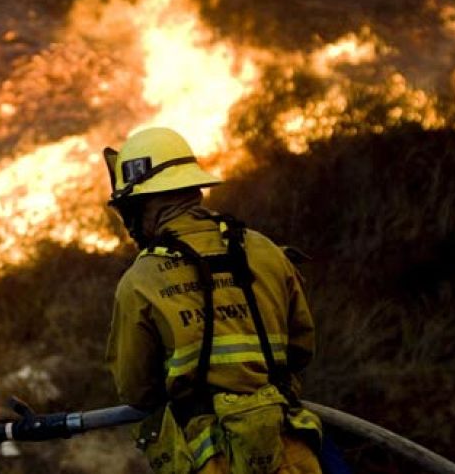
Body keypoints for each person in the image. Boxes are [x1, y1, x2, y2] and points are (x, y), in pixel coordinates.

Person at [103, 127, 322, 474]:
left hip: (210, 460)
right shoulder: (265, 250)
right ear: (193, 190)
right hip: (291, 455)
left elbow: (137, 390)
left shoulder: (140, 282)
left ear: (140, 205)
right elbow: (301, 348)